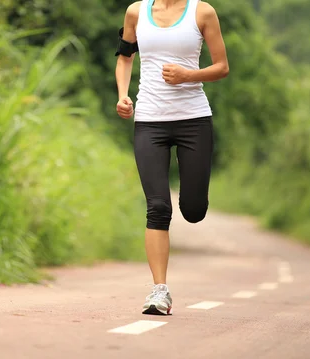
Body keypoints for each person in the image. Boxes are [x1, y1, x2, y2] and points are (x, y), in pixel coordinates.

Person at [114, 0, 229, 315]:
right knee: (158, 207)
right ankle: (159, 291)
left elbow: (222, 67)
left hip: (193, 120)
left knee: (192, 210)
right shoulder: (136, 13)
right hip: (150, 121)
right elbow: (125, 58)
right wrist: (123, 95)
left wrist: (187, 75)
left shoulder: (202, 12)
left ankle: (193, 206)